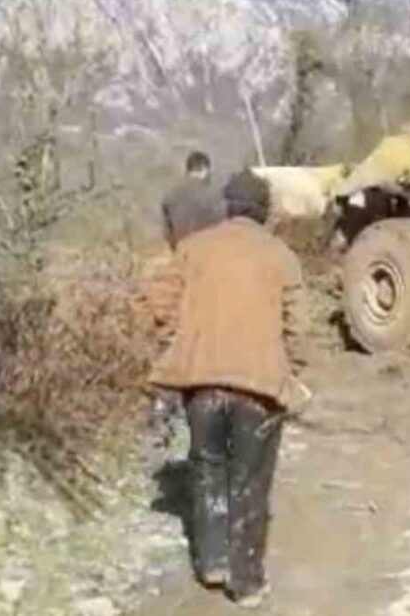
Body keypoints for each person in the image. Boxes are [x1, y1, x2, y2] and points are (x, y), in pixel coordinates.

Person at [150, 181, 309, 607]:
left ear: (227, 207)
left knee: (207, 471)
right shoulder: (280, 256)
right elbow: (298, 325)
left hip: (201, 385)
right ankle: (247, 581)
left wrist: (175, 340)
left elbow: (160, 298)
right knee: (250, 483)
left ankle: (213, 562)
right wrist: (296, 371)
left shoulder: (194, 248)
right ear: (264, 211)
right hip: (259, 390)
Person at [161, 150, 226, 249]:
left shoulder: (170, 195)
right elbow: (221, 222)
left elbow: (167, 233)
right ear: (205, 169)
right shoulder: (212, 192)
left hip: (183, 249)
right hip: (209, 248)